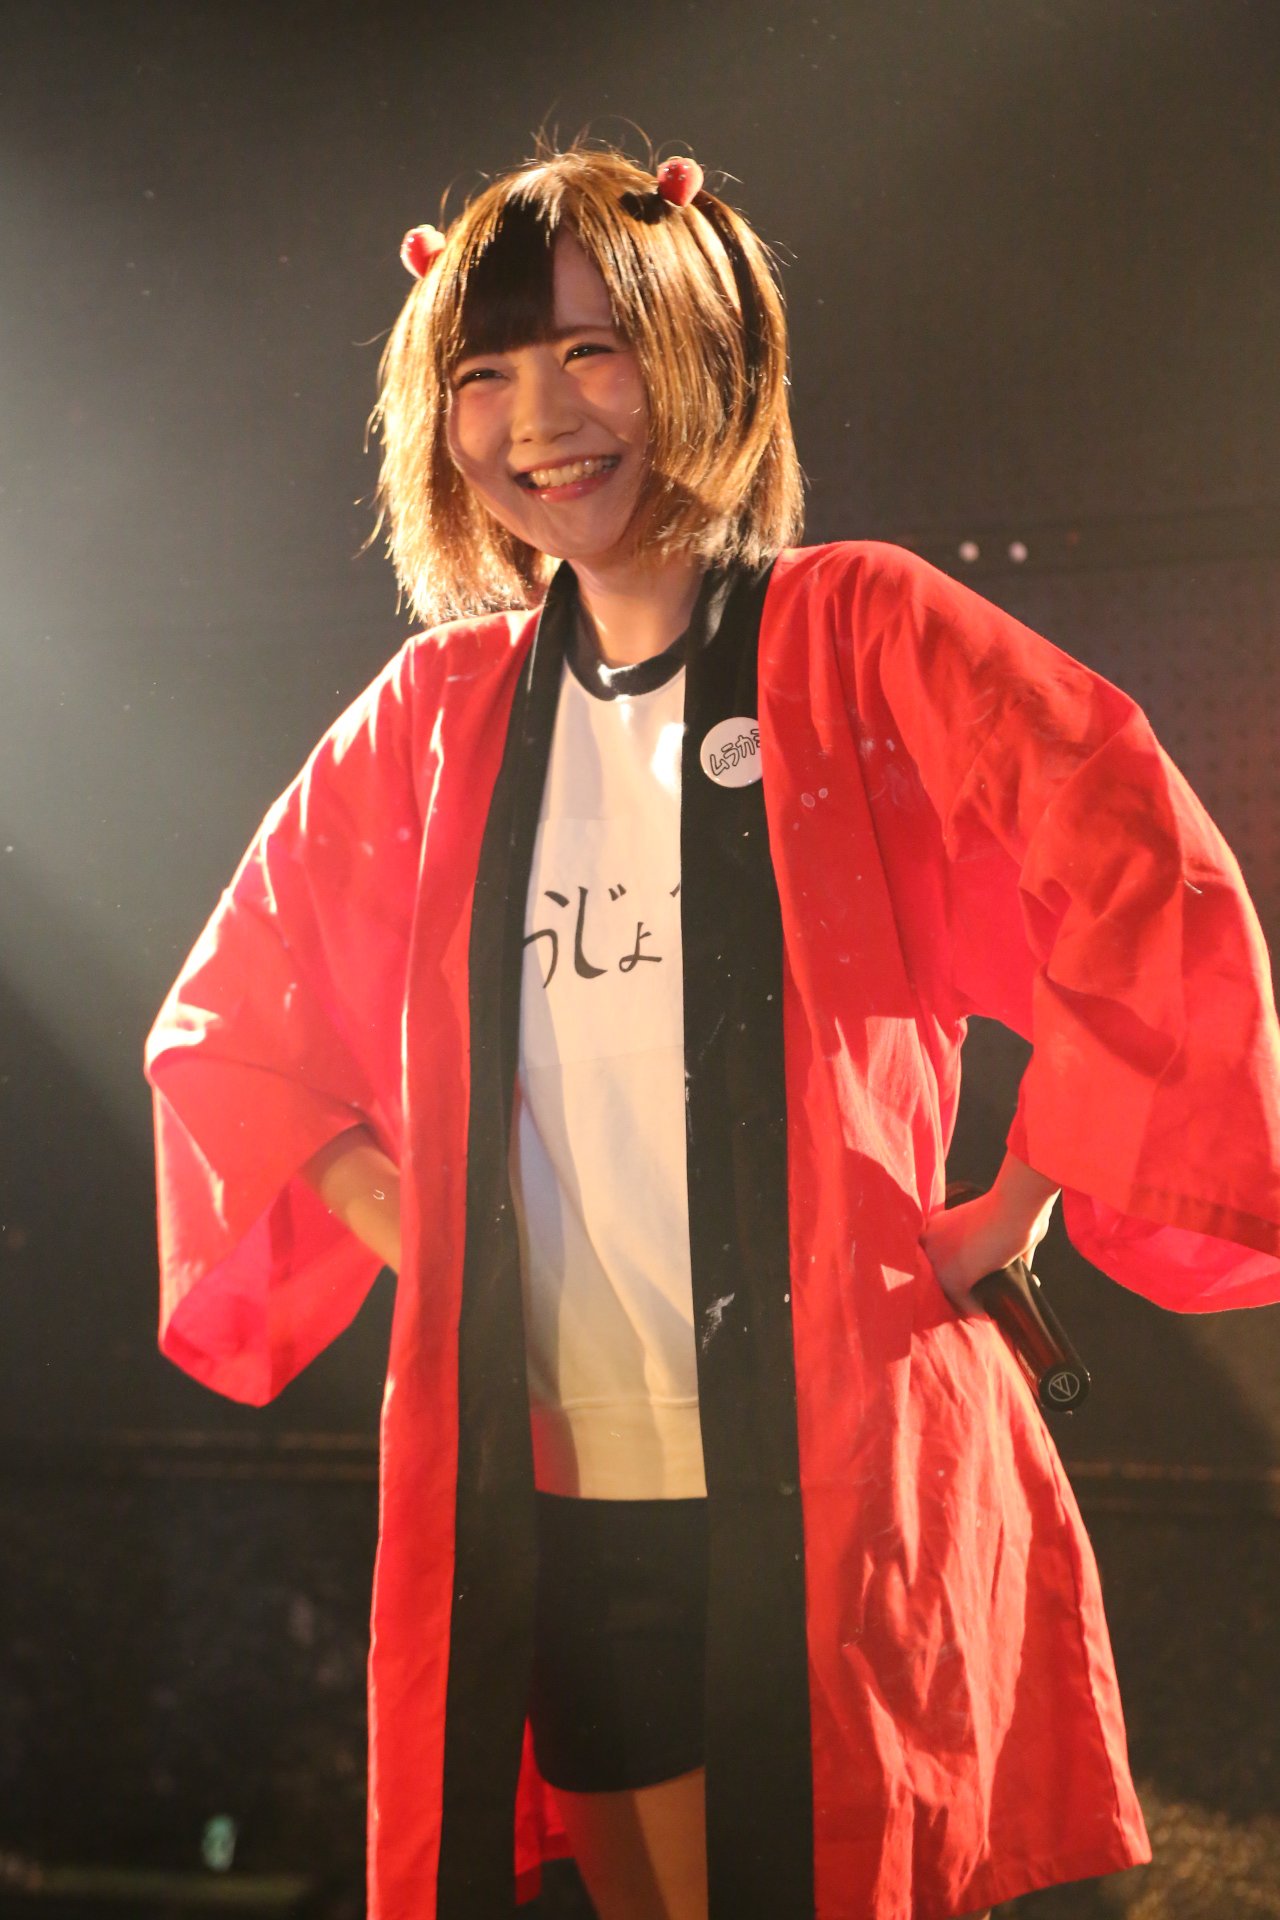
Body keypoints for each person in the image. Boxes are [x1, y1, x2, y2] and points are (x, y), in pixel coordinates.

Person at [144, 141, 1280, 1920]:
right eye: (484, 372)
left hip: (836, 1467)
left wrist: (1020, 1197)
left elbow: (1143, 867)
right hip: (560, 1484)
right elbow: (228, 1030)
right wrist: (422, 1229)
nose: (539, 417)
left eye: (589, 351)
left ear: (702, 354)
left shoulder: (859, 632)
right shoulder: (436, 716)